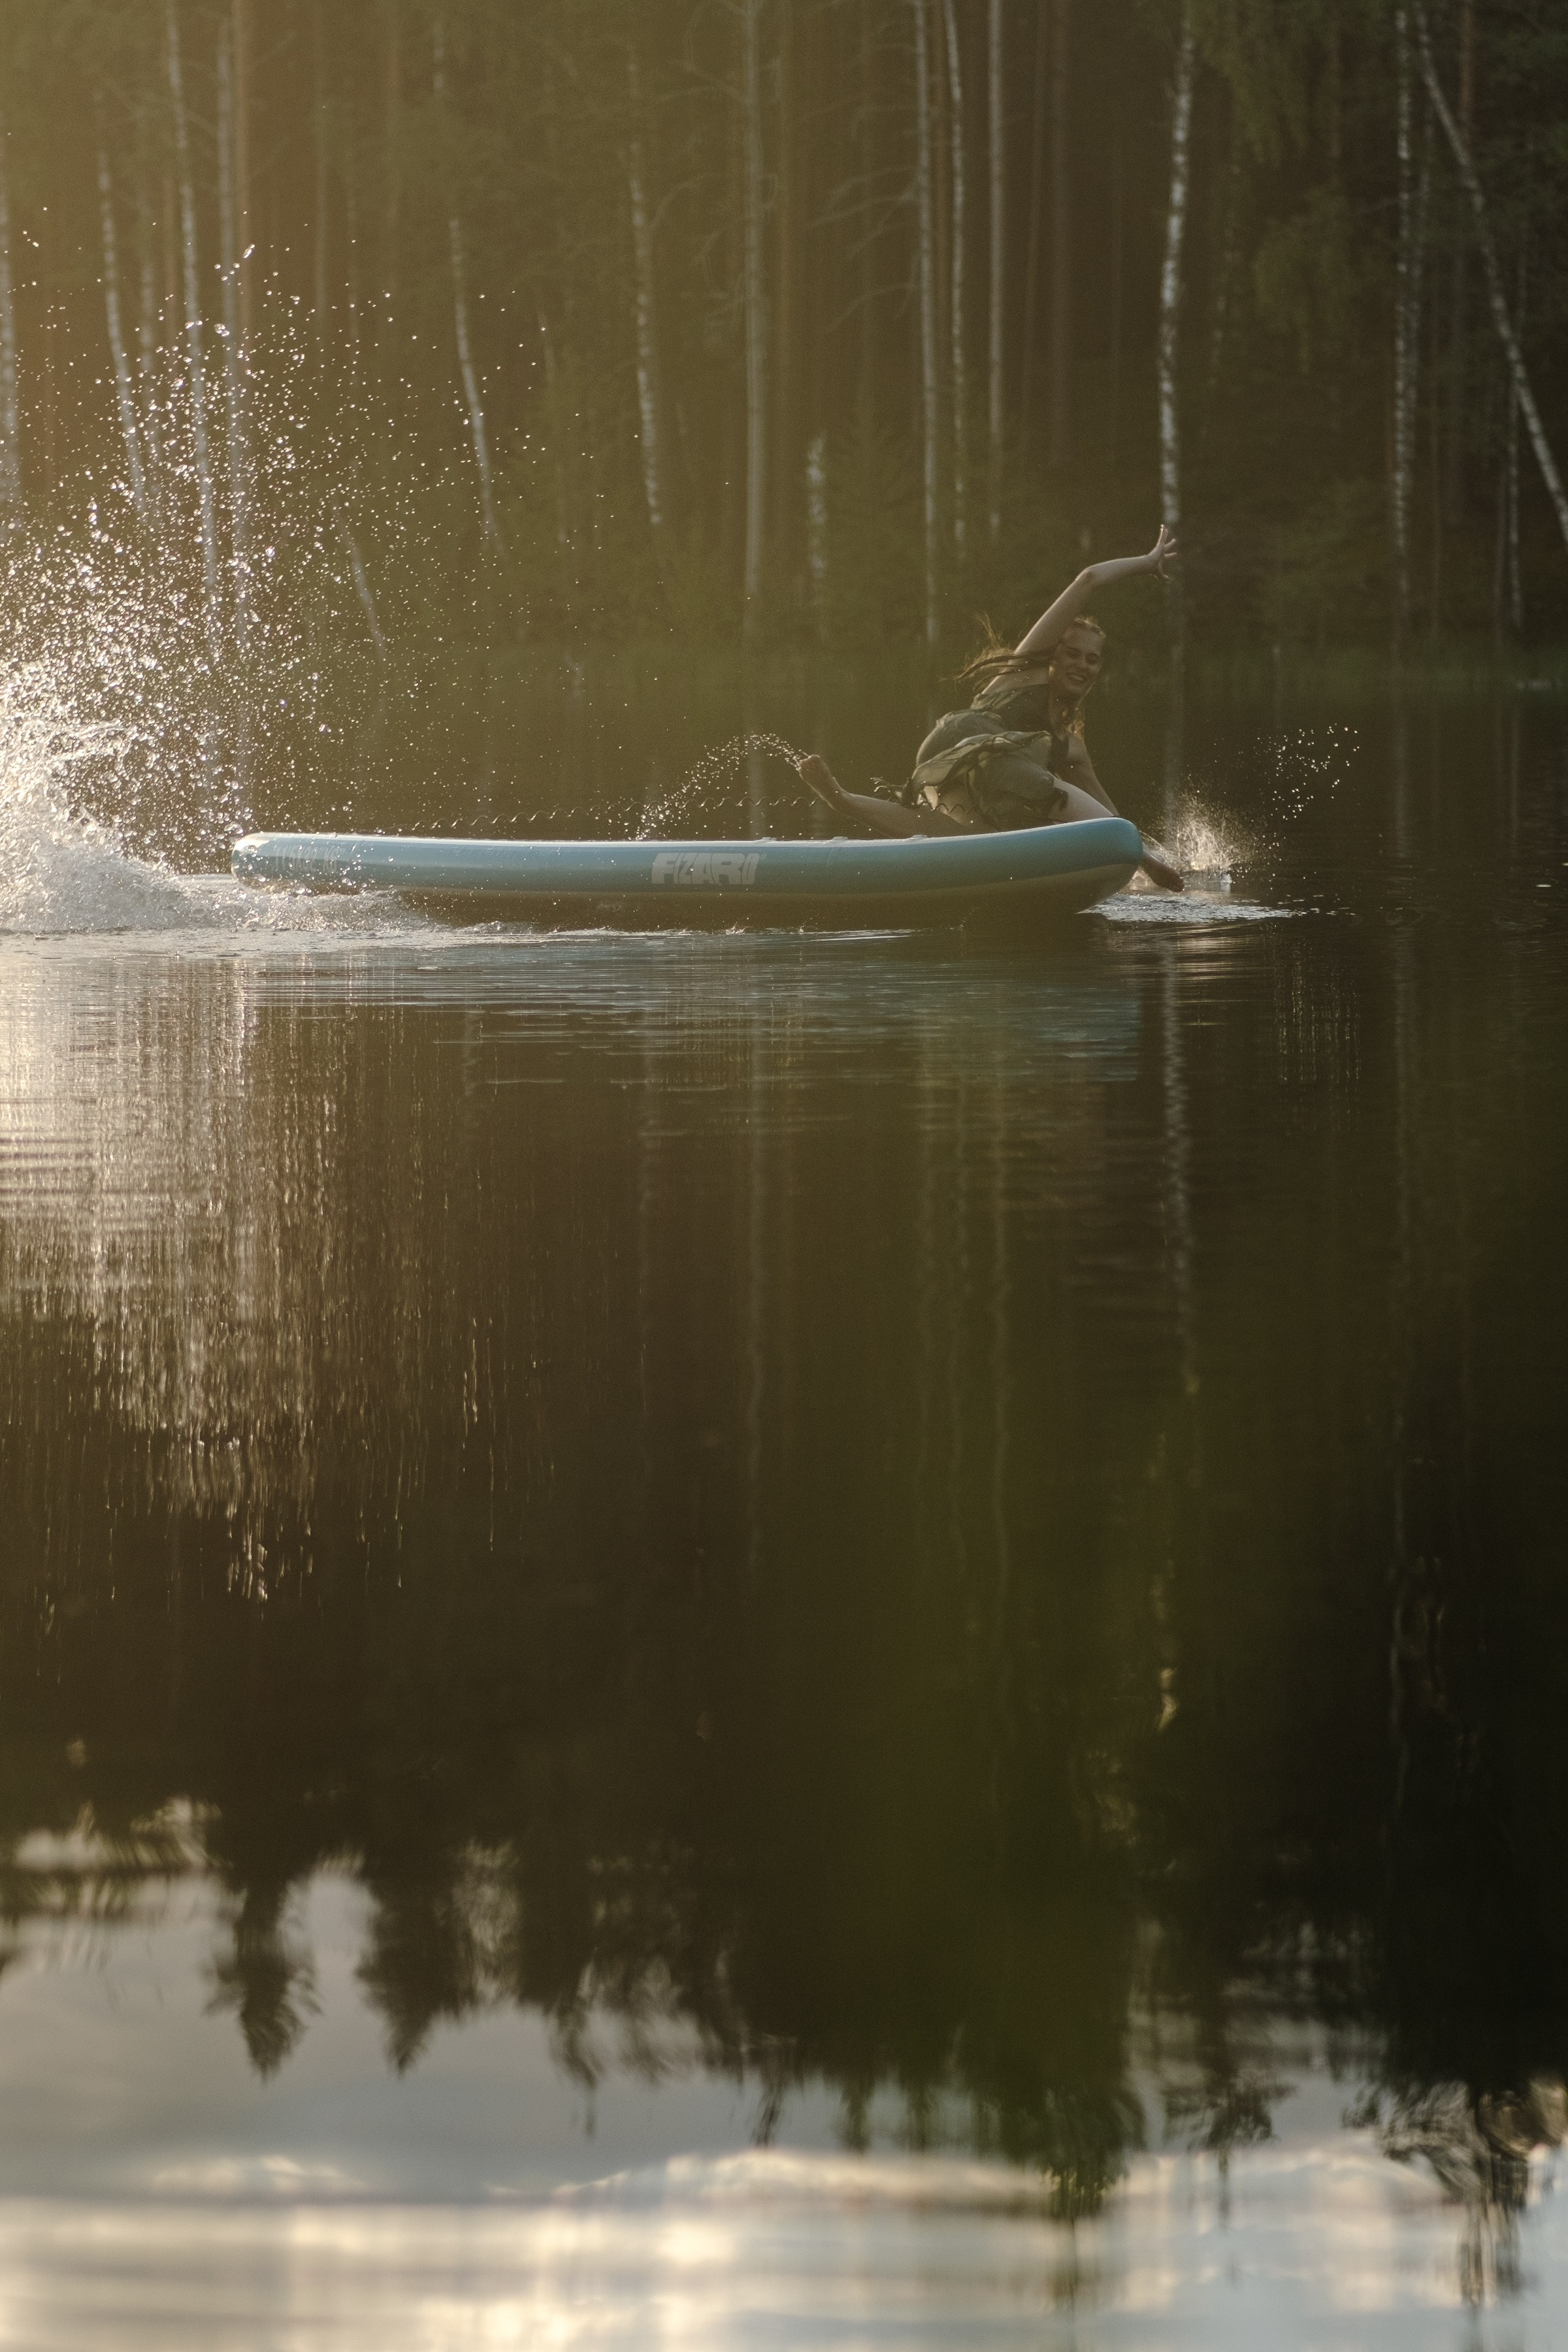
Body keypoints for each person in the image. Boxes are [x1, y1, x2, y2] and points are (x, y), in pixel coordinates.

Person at [798, 527, 1184, 892]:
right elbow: (1088, 579)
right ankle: (1142, 859)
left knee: (961, 837)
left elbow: (1107, 813)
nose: (1083, 665)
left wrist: (1133, 848)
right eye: (1072, 654)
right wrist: (1147, 561)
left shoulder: (1067, 744)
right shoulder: (1026, 670)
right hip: (968, 740)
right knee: (1038, 786)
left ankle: (842, 800)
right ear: (1050, 655)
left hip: (951, 763)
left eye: (1093, 660)